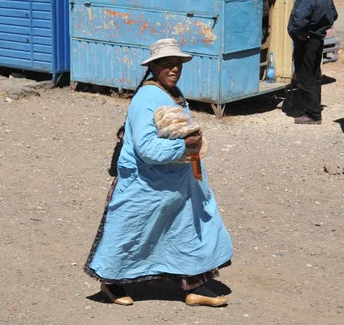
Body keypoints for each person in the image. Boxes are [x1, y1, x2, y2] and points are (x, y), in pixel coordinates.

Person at [84, 38, 233, 307]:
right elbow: (147, 148)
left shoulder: (171, 93)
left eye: (177, 64)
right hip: (145, 184)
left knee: (186, 230)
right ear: (153, 67)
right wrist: (183, 145)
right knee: (131, 231)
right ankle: (111, 282)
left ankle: (194, 286)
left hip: (176, 182)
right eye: (167, 64)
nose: (174, 69)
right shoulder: (147, 98)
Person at [288, 0, 338, 125]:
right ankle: (314, 108)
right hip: (317, 41)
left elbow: (300, 20)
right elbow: (333, 15)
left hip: (306, 43)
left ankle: (313, 114)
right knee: (315, 75)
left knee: (305, 77)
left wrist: (301, 31)